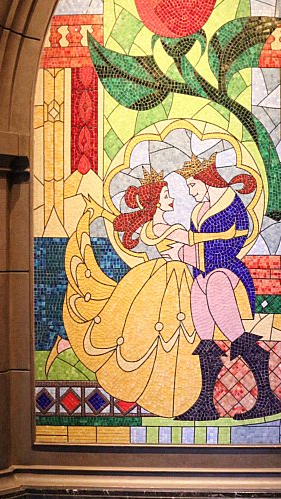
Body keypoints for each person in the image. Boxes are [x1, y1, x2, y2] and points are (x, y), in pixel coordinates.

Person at [56, 169, 201, 418]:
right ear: (155, 199)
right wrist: (227, 234)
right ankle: (165, 390)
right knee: (155, 334)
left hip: (167, 276)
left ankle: (166, 388)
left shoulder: (154, 226)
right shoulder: (163, 227)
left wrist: (102, 212)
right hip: (165, 278)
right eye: (166, 194)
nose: (172, 199)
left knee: (156, 334)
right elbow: (193, 239)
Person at [168, 152, 281, 421]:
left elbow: (229, 249)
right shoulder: (200, 210)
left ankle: (266, 396)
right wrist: (186, 252)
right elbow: (200, 244)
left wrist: (185, 253)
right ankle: (206, 404)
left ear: (206, 182)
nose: (191, 193)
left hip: (228, 271)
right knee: (200, 300)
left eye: (193, 186)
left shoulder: (232, 208)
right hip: (202, 271)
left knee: (217, 286)